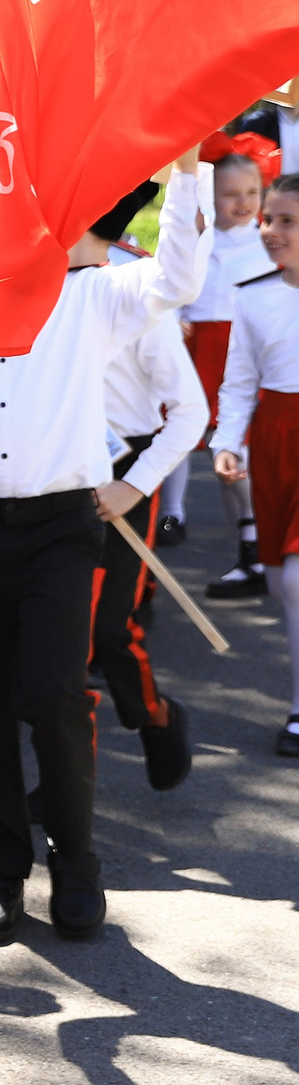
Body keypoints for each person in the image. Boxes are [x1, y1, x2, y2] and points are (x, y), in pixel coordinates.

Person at [0, 161, 208, 944]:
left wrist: (190, 169)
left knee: (57, 694)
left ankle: (76, 865)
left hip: (59, 525)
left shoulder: (94, 293)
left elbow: (179, 278)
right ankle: (0, 872)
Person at [96, 292, 205, 788]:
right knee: (51, 632)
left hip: (122, 467)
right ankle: (63, 783)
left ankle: (156, 716)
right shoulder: (16, 272)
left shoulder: (135, 286)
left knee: (106, 627)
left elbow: (189, 411)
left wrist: (135, 485)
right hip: (42, 466)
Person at [213, 172, 299, 759]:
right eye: (268, 218)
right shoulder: (253, 294)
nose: (269, 230)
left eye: (287, 221)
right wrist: (227, 439)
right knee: (278, 582)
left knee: (296, 581)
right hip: (274, 443)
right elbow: (238, 383)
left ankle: (298, 710)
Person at [193, 153, 271, 595]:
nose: (243, 203)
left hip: (250, 359)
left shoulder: (267, 244)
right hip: (205, 355)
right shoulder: (197, 243)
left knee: (244, 455)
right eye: (230, 194)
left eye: (251, 193)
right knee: (221, 457)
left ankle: (257, 546)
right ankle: (246, 549)